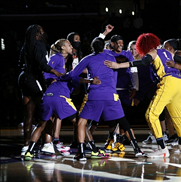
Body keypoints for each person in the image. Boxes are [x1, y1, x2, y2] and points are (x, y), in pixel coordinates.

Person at [105, 33, 181, 158]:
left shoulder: (153, 53)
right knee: (177, 116)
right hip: (179, 83)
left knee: (151, 115)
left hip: (168, 82)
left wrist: (119, 65)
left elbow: (142, 63)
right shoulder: (167, 52)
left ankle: (162, 148)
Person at [60, 37, 143, 161]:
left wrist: (60, 78)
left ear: (92, 48)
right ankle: (137, 150)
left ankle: (81, 153)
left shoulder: (88, 58)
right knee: (124, 123)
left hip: (95, 95)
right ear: (105, 47)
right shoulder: (111, 56)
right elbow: (127, 60)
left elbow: (72, 74)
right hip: (111, 96)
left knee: (81, 123)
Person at [18, 24, 63, 156]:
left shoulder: (24, 46)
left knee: (29, 114)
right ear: (37, 34)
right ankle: (47, 143)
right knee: (46, 110)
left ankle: (26, 145)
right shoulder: (39, 44)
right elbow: (42, 64)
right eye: (42, 31)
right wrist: (55, 72)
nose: (43, 33)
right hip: (34, 80)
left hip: (23, 79)